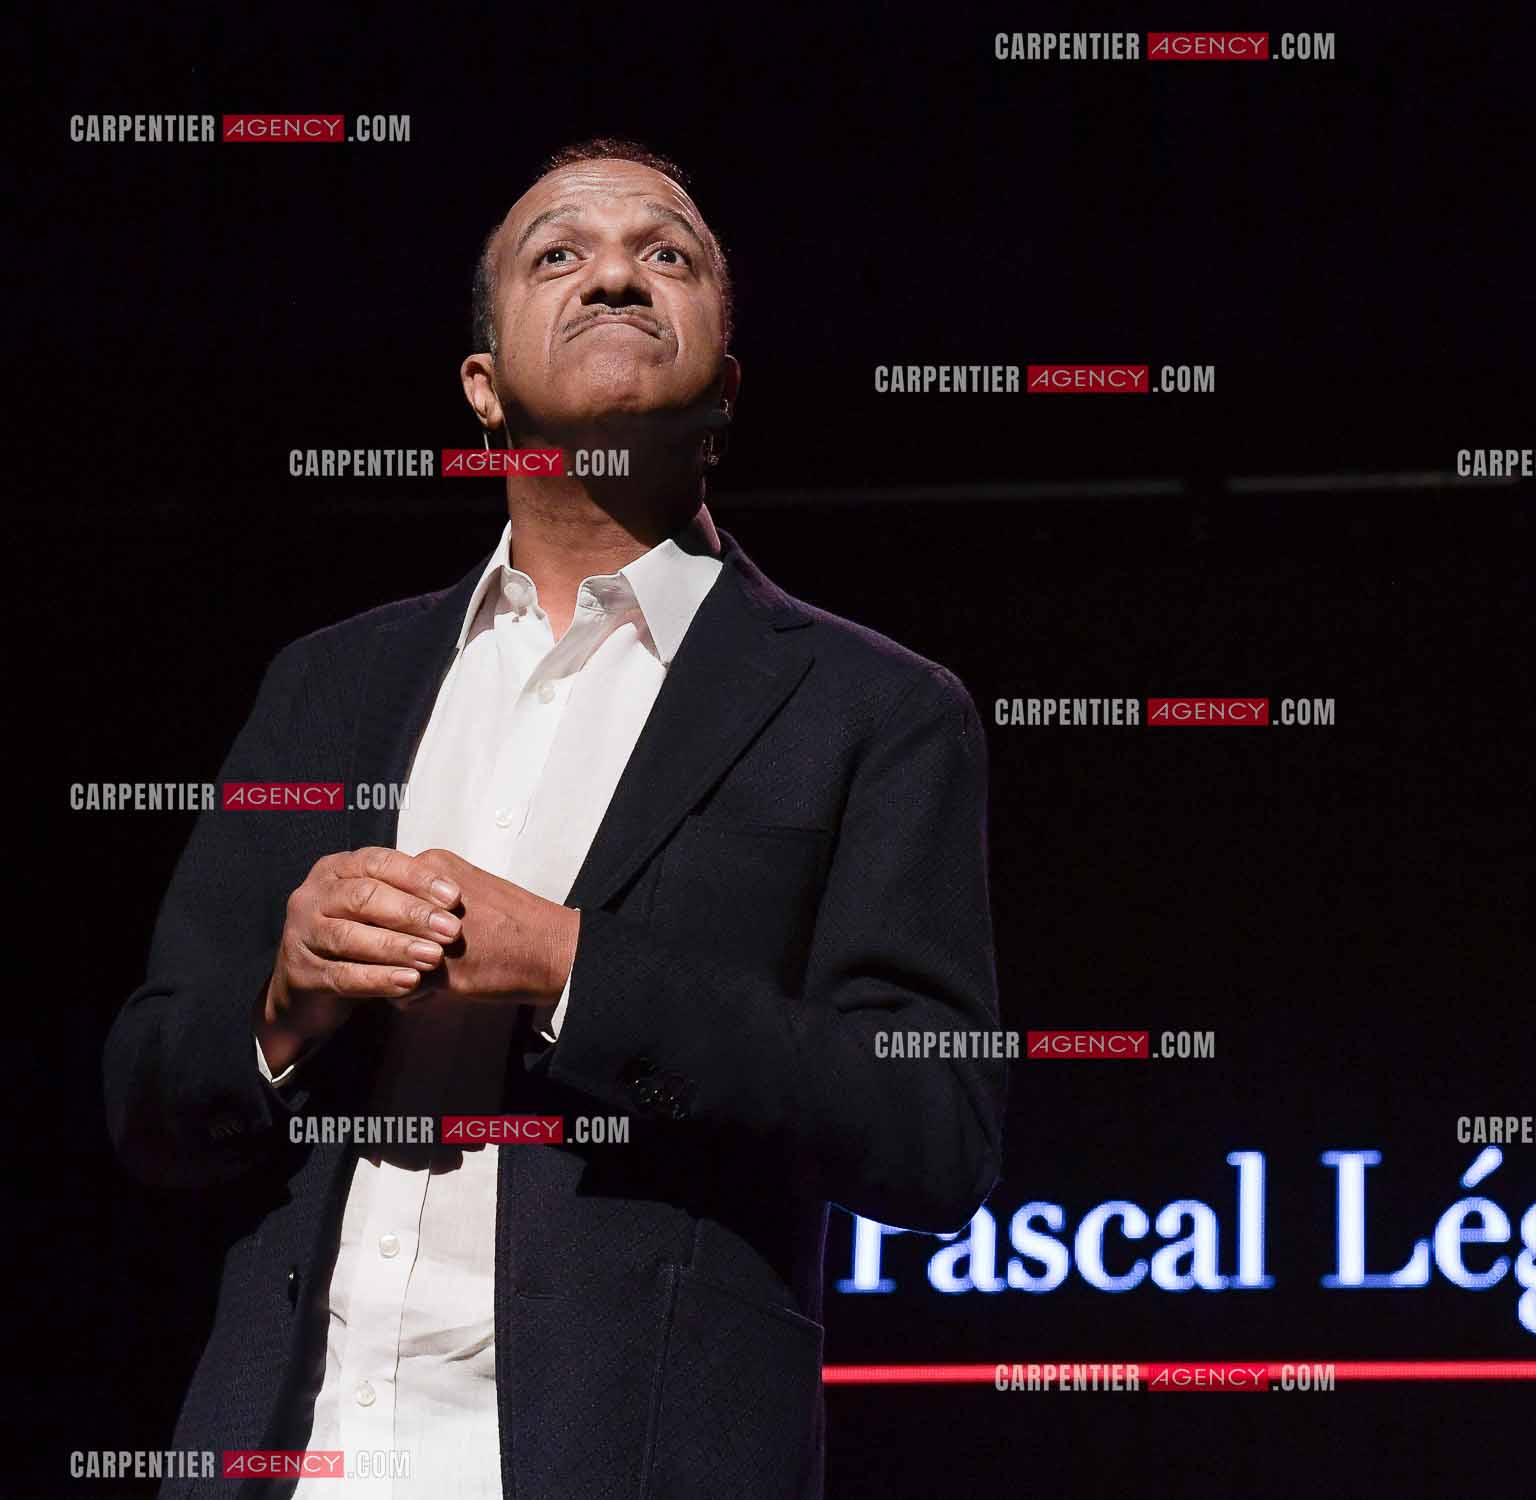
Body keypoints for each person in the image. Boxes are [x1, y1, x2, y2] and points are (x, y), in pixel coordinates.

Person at [103, 138, 1005, 1499]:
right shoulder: (328, 685)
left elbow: (936, 1130)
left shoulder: (870, 708)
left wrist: (578, 970)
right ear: (481, 387)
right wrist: (282, 1002)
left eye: (669, 255)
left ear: (728, 391)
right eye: (559, 255)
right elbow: (149, 1096)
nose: (617, 279)